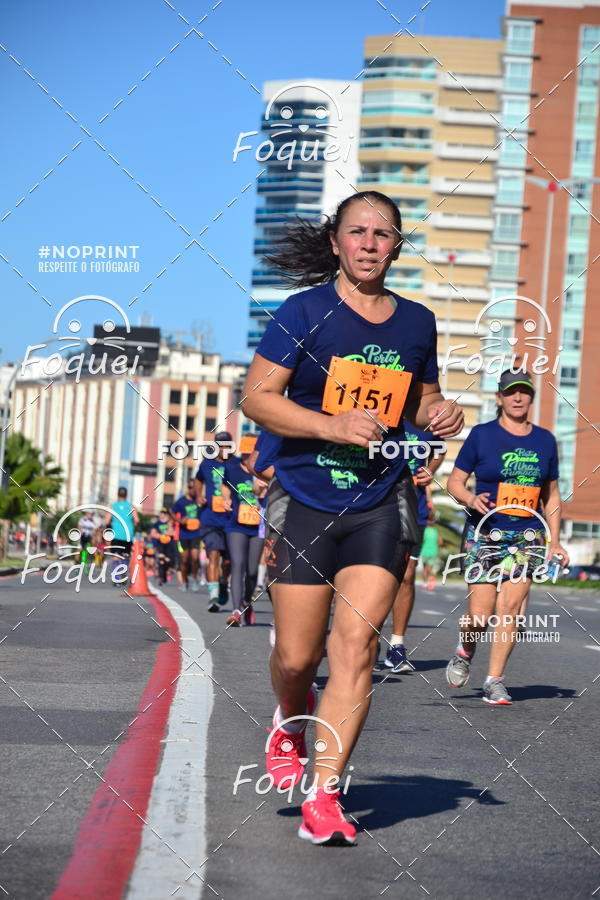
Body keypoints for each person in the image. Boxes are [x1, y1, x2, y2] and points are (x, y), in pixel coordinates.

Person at [242, 189, 464, 844]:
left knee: (356, 648)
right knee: (297, 655)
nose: (369, 243)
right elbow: (256, 398)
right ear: (337, 240)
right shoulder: (303, 312)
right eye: (358, 232)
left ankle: (325, 795)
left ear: (397, 245)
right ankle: (290, 717)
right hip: (305, 495)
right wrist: (331, 424)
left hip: (381, 497)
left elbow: (420, 400)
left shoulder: (417, 323)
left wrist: (439, 413)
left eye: (383, 233)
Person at [445, 369, 569, 706]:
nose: (517, 398)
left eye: (524, 392)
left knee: (511, 608)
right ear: (499, 397)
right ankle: (465, 648)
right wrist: (469, 499)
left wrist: (554, 541)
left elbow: (552, 496)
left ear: (531, 397)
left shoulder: (545, 441)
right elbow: (454, 482)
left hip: (526, 537)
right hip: (485, 533)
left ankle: (494, 681)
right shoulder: (482, 436)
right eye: (511, 392)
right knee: (480, 616)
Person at [379, 425, 446, 673]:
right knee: (374, 576)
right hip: (377, 507)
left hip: (413, 510)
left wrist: (430, 469)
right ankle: (367, 637)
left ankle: (397, 646)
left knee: (406, 576)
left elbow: (440, 448)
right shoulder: (382, 412)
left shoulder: (422, 419)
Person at [221, 451, 264, 626]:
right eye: (246, 455)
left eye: (252, 455)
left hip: (258, 526)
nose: (248, 459)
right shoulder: (232, 468)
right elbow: (225, 486)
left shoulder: (265, 468)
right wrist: (226, 499)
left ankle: (246, 601)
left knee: (252, 571)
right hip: (236, 525)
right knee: (237, 564)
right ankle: (236, 610)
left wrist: (263, 489)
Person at [194, 432, 234, 612]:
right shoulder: (206, 463)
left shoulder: (236, 464)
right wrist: (198, 496)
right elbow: (197, 480)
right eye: (221, 444)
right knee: (213, 556)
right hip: (210, 519)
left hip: (232, 520)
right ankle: (213, 597)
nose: (224, 447)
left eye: (227, 444)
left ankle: (224, 582)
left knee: (228, 562)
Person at [171, 480, 203, 592]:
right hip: (184, 534)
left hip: (196, 533)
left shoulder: (199, 500)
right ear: (187, 488)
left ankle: (194, 578)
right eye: (190, 487)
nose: (192, 490)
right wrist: (180, 520)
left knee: (195, 557)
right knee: (184, 560)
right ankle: (184, 582)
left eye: (194, 488)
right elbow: (172, 512)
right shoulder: (181, 501)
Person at [105, 487, 138, 583]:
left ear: (117, 494)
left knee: (116, 556)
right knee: (126, 555)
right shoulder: (131, 506)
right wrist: (133, 529)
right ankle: (123, 574)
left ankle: (117, 578)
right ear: (126, 495)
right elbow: (137, 520)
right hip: (128, 535)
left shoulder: (113, 506)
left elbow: (106, 520)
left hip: (116, 535)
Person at [150, 508, 176, 585]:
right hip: (160, 544)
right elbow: (153, 533)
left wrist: (167, 532)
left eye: (164, 513)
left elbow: (173, 533)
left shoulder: (170, 523)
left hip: (169, 545)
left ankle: (165, 575)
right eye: (161, 513)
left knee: (168, 561)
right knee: (161, 560)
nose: (162, 515)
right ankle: (161, 578)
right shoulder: (156, 524)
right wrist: (160, 535)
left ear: (167, 515)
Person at [420, 511, 443, 590]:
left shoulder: (436, 531)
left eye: (432, 520)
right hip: (425, 552)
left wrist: (438, 543)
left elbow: (440, 542)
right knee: (425, 569)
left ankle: (427, 583)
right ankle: (424, 583)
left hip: (433, 552)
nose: (431, 521)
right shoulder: (424, 530)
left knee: (428, 569)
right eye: (430, 520)